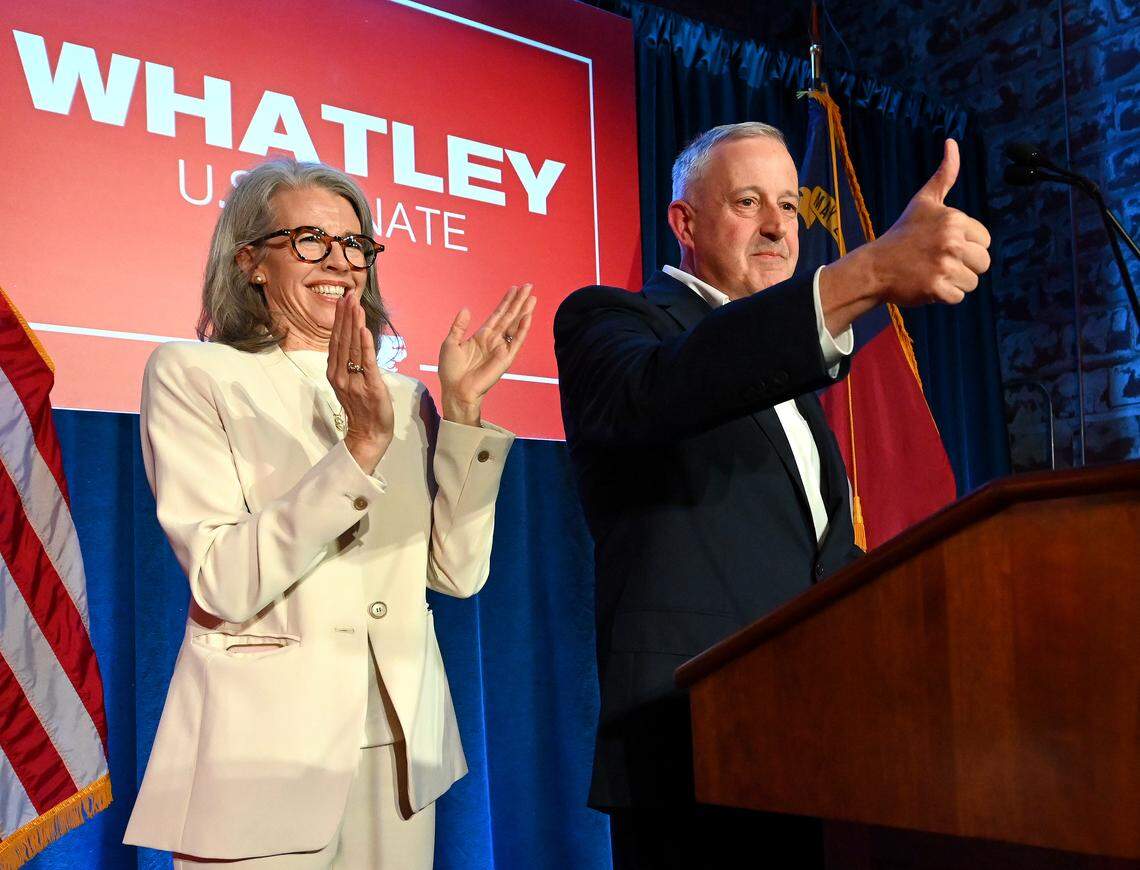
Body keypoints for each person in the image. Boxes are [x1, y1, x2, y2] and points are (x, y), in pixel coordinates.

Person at [554, 122, 991, 869]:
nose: (776, 227)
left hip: (818, 750)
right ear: (683, 223)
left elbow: (816, 556)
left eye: (789, 206)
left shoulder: (795, 368)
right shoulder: (610, 323)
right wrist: (869, 272)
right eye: (748, 201)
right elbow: (668, 389)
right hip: (691, 751)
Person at [122, 159, 535, 869]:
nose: (340, 262)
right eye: (311, 239)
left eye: (355, 245)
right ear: (250, 260)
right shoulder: (195, 375)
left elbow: (456, 575)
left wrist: (463, 417)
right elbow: (223, 581)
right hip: (263, 755)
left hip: (401, 753)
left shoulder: (405, 399)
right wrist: (360, 448)